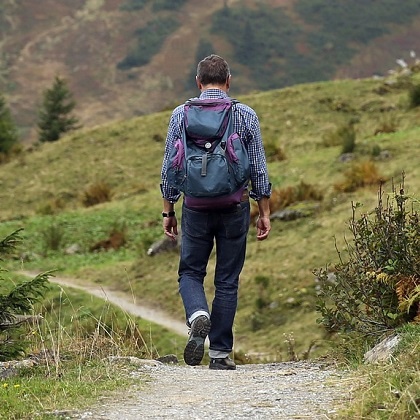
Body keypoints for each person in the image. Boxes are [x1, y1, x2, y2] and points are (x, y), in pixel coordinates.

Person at [160, 54, 271, 370]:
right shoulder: (245, 115)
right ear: (228, 81)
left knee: (190, 271)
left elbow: (170, 166)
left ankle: (198, 314)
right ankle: (220, 354)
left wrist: (168, 211)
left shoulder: (180, 115)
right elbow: (259, 169)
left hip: (194, 206)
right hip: (234, 205)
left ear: (198, 82)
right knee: (227, 279)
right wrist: (264, 211)